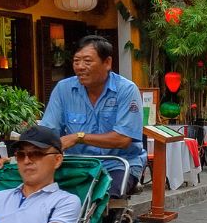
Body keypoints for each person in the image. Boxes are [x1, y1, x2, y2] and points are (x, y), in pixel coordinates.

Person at [41, 35, 143, 193]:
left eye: (87, 61)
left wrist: (78, 137)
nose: (80, 67)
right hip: (75, 165)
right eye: (76, 61)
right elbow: (48, 133)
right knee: (43, 194)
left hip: (117, 164)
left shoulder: (126, 90)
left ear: (107, 63)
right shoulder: (63, 89)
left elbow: (123, 139)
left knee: (103, 201)